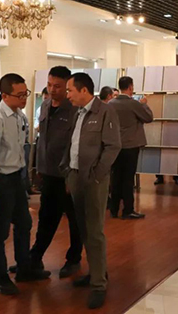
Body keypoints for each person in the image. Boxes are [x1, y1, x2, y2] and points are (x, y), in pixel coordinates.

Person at [60, 73, 121, 309]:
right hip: (75, 176)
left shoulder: (105, 112)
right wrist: (68, 171)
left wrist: (97, 174)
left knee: (94, 231)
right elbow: (72, 144)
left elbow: (113, 146)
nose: (67, 95)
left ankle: (98, 285)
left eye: (70, 90)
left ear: (83, 90)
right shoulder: (77, 113)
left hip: (94, 179)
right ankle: (97, 271)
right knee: (84, 229)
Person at [0, 73, 49, 296]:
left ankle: (24, 268)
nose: (24, 98)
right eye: (20, 95)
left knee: (24, 223)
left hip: (16, 177)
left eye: (26, 94)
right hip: (1, 179)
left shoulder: (19, 115)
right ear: (5, 95)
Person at [29, 66, 82, 278]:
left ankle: (73, 259)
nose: (52, 90)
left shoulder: (75, 110)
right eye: (50, 85)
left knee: (75, 220)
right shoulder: (45, 105)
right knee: (46, 217)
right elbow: (42, 140)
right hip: (48, 173)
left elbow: (76, 145)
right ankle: (35, 258)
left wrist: (72, 175)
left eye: (58, 86)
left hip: (68, 175)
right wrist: (38, 168)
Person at [109, 76, 152, 219]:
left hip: (115, 145)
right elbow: (148, 118)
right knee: (128, 178)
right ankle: (128, 210)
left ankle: (114, 209)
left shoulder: (111, 104)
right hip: (131, 145)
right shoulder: (134, 104)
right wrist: (144, 104)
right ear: (130, 87)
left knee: (116, 177)